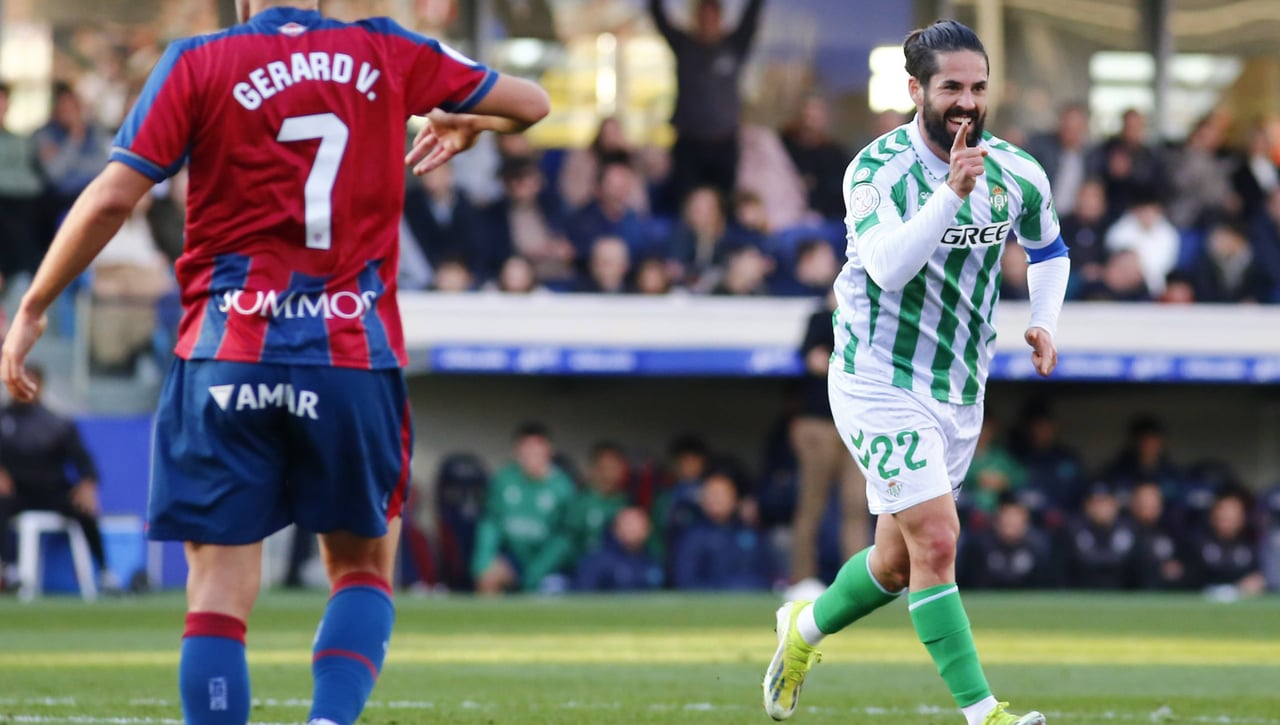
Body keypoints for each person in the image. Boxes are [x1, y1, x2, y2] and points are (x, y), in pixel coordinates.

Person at [0, 2, 549, 724]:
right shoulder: (386, 50)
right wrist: (471, 119)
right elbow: (532, 105)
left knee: (218, 587)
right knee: (360, 567)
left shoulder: (198, 61)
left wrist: (35, 305)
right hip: (350, 354)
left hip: (227, 354)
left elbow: (110, 200)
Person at [762, 20, 1068, 725]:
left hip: (959, 387)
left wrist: (1047, 319)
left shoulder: (1018, 171)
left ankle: (801, 630)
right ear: (916, 90)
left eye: (978, 87)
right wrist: (953, 193)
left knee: (896, 566)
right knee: (938, 538)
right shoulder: (875, 170)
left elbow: (1050, 249)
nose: (967, 101)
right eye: (952, 87)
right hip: (877, 376)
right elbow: (889, 266)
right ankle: (984, 713)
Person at [0, 365, 116, 593]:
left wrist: (88, 483)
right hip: (15, 492)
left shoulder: (57, 424)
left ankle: (104, 572)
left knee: (83, 507)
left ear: (40, 387)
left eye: (30, 382)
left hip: (52, 491)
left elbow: (83, 460)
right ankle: (9, 570)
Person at [649, 0, 765, 205]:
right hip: (688, 144)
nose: (708, 21)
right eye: (703, 16)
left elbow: (752, 17)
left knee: (724, 205)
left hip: (725, 144)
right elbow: (659, 18)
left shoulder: (734, 46)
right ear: (696, 19)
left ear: (720, 19)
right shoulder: (684, 45)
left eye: (713, 16)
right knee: (685, 204)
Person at [470, 423, 578, 595]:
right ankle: (490, 622)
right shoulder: (504, 480)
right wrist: (482, 562)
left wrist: (536, 572)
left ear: (549, 451)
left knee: (552, 593)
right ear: (517, 452)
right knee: (488, 577)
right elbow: (491, 522)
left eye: (537, 451)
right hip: (514, 558)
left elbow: (564, 538)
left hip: (547, 565)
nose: (532, 457)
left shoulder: (563, 488)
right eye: (526, 451)